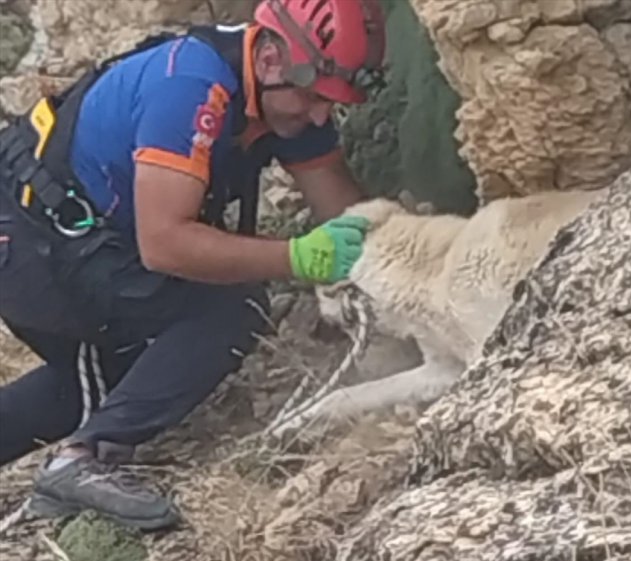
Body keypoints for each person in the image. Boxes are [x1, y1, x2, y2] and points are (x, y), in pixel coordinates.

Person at [0, 0, 386, 530]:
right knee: (234, 307)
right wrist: (293, 257)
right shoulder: (189, 87)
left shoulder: (284, 99)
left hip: (74, 239)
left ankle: (76, 452)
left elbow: (347, 214)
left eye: (332, 103)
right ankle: (82, 460)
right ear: (272, 61)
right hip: (32, 243)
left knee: (105, 381)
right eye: (314, 97)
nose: (320, 115)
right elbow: (167, 245)